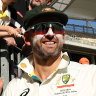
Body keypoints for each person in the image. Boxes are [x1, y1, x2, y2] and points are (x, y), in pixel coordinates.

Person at [3, 5, 96, 96]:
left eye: (57, 28)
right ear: (27, 38)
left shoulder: (90, 76)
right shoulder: (14, 88)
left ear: (63, 37)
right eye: (42, 27)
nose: (51, 34)